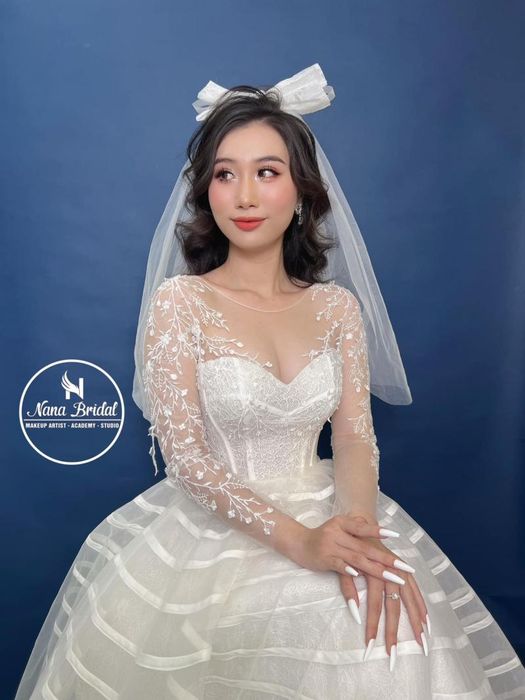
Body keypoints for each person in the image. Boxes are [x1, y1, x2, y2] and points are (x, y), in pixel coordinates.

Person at [14, 65, 525, 699]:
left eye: (267, 172)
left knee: (388, 631)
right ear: (206, 193)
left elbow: (354, 438)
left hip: (332, 505)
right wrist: (303, 543)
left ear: (302, 191)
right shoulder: (181, 302)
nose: (245, 196)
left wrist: (357, 536)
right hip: (219, 527)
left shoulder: (337, 308)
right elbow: (187, 459)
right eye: (225, 175)